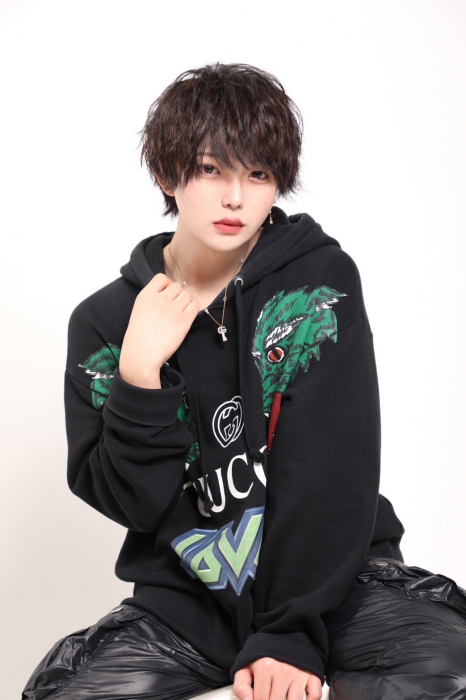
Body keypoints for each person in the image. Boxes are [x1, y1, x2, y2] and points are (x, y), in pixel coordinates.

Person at [22, 62, 466, 700]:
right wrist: (139, 374)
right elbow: (136, 504)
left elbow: (330, 471)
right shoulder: (105, 323)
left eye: (258, 174)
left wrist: (290, 634)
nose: (236, 197)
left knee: (451, 669)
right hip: (187, 609)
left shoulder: (316, 283)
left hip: (336, 586)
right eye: (211, 169)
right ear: (167, 174)